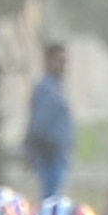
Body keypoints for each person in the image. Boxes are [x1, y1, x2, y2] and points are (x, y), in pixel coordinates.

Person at [27, 43, 78, 200]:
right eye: (59, 61)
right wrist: (39, 148)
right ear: (48, 61)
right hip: (50, 155)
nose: (63, 66)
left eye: (65, 62)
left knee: (56, 195)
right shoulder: (45, 89)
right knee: (51, 199)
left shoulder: (58, 87)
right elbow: (39, 124)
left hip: (59, 154)